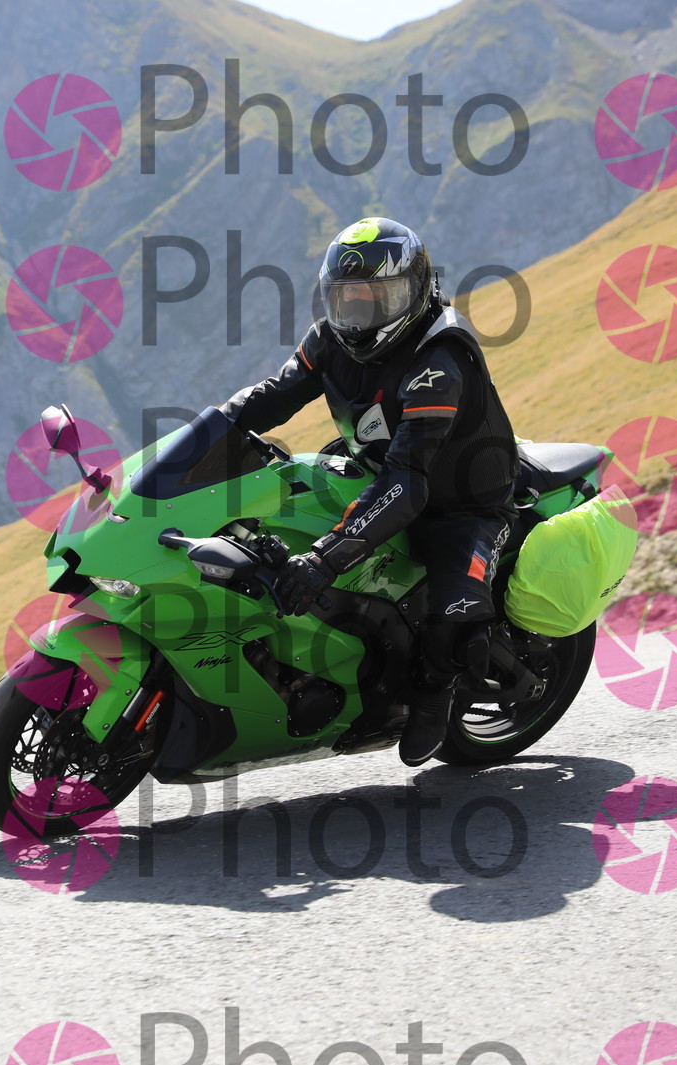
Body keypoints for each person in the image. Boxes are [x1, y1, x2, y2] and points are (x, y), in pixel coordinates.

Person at [218, 217, 520, 766]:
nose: (361, 313)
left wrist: (322, 560)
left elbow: (408, 482)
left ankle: (434, 692)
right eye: (349, 298)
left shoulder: (439, 362)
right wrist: (210, 430)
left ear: (417, 290)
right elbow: (273, 396)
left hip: (461, 505)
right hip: (374, 468)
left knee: (453, 612)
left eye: (379, 297)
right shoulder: (329, 339)